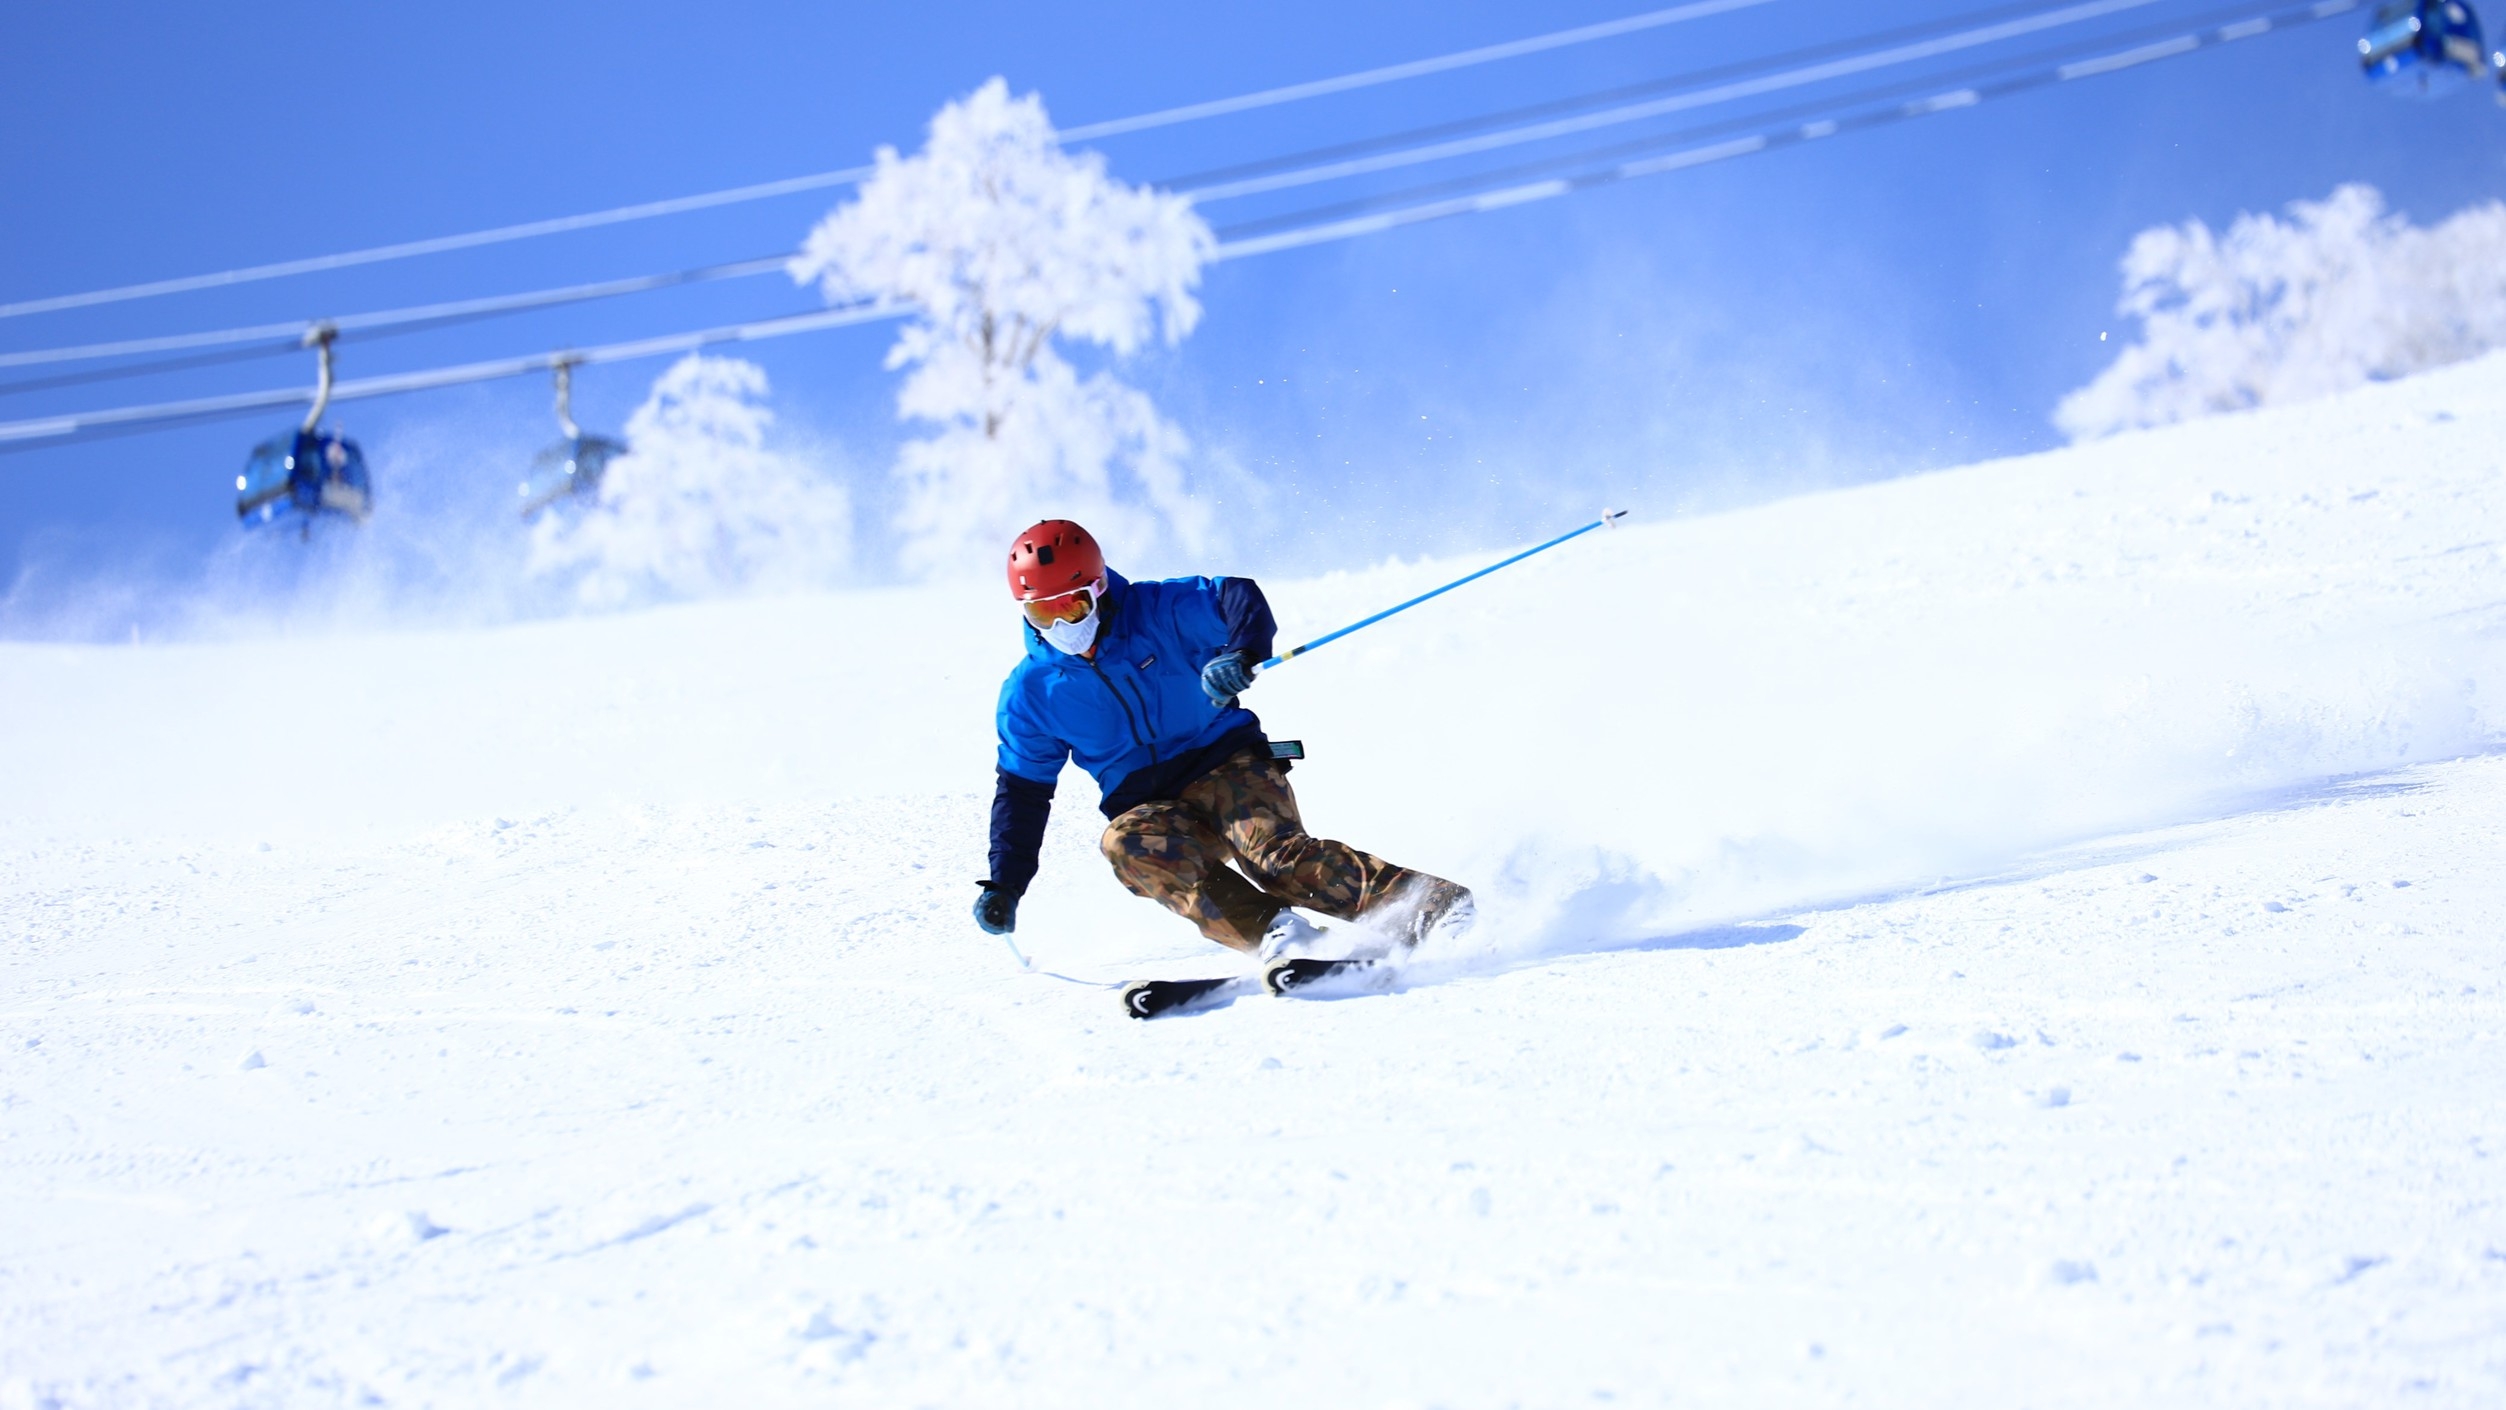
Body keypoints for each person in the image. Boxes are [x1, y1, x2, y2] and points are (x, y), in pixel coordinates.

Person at [973, 519, 1472, 960]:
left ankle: (1435, 909)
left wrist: (1242, 653)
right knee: (1125, 843)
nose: (1064, 625)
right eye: (1043, 614)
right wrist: (1006, 884)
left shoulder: (1157, 611)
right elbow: (1022, 793)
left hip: (1228, 766)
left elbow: (1237, 597)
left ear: (1099, 588)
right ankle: (1278, 934)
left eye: (1074, 605)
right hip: (1152, 808)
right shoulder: (1031, 692)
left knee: (1274, 861)